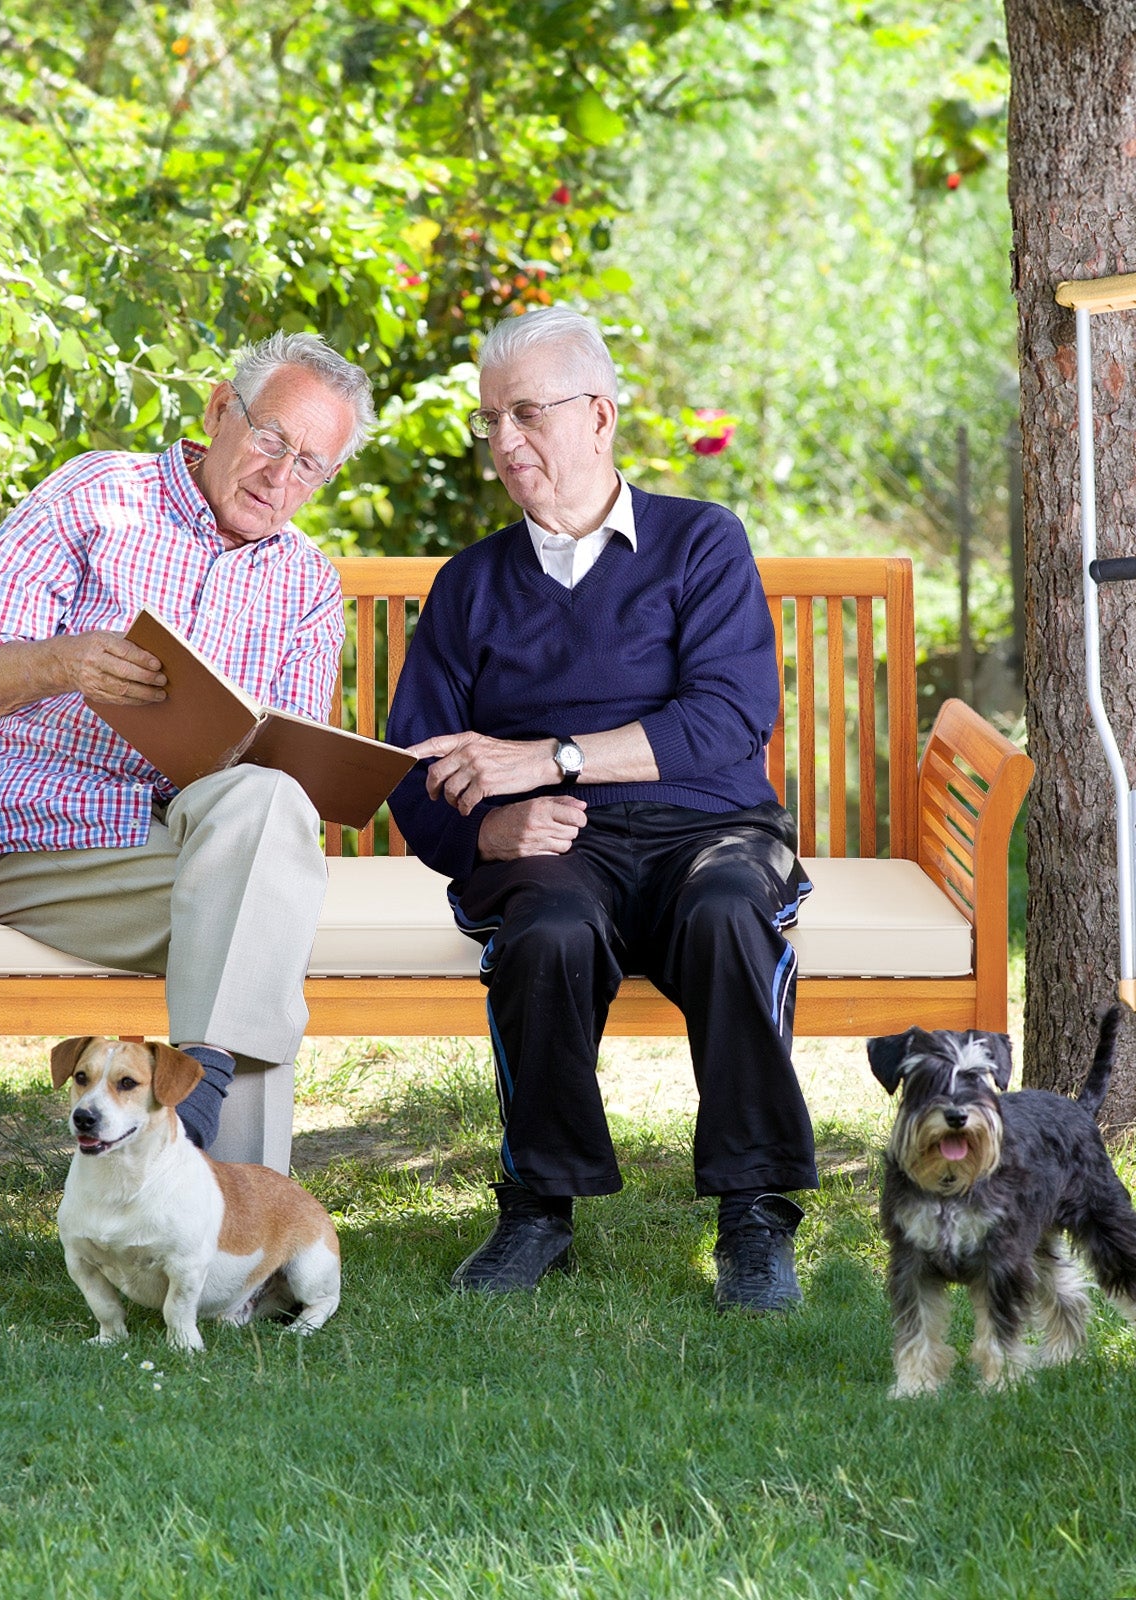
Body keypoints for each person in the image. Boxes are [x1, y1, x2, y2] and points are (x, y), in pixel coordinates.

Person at [386, 306, 816, 1311]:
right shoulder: (469, 585)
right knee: (546, 931)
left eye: (527, 412)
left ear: (599, 416)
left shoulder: (700, 542)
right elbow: (414, 771)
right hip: (555, 849)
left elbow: (728, 717)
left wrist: (551, 758)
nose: (504, 439)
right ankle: (538, 1207)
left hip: (709, 830)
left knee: (728, 914)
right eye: (491, 418)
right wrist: (489, 829)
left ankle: (755, 1215)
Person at [0, 332, 375, 1158]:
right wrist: (65, 661)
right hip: (48, 836)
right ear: (220, 410)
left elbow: (287, 776)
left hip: (195, 844)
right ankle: (235, 1211)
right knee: (260, 915)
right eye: (272, 439)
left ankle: (198, 1109)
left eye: (310, 464)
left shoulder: (307, 582)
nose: (280, 476)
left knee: (260, 853)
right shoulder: (97, 493)